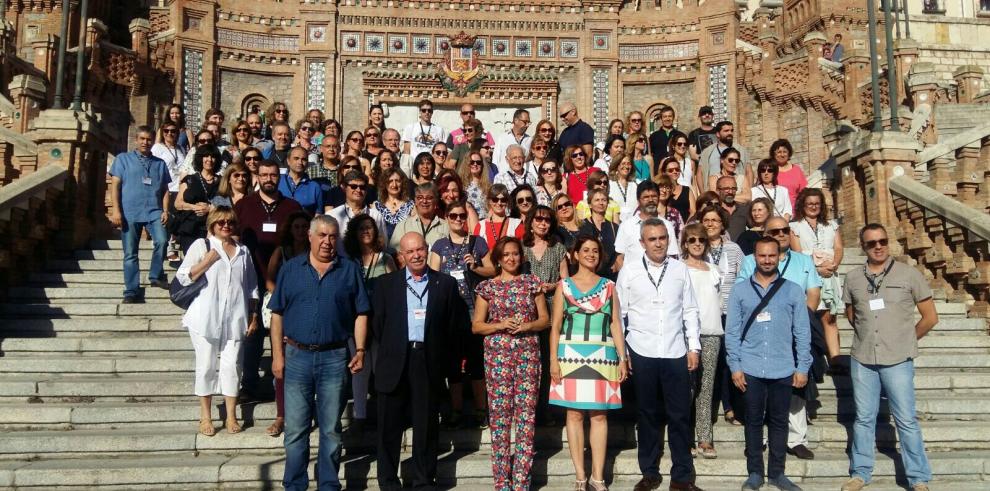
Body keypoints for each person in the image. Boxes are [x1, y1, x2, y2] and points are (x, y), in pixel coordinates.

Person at [268, 215, 370, 491]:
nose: (327, 242)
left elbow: (361, 312)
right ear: (310, 237)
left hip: (334, 358)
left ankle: (328, 484)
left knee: (330, 429)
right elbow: (276, 315)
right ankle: (295, 484)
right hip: (297, 357)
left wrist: (359, 349)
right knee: (296, 429)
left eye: (332, 236)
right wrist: (277, 356)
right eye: (322, 235)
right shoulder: (290, 270)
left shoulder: (349, 270)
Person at [840, 224, 936, 491]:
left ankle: (918, 477)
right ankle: (860, 473)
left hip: (898, 359)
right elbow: (852, 315)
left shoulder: (909, 274)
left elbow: (930, 318)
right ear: (863, 247)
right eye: (871, 243)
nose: (878, 246)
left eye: (882, 241)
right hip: (863, 358)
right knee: (863, 418)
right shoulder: (853, 278)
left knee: (905, 419)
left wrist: (906, 340)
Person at [372, 232, 466, 490]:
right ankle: (389, 482)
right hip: (395, 361)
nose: (416, 255)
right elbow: (378, 326)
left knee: (426, 426)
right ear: (401, 256)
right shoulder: (385, 284)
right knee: (389, 428)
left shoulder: (444, 284)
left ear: (426, 250)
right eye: (409, 251)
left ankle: (424, 481)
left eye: (420, 250)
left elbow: (453, 325)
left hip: (428, 361)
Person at [617, 218, 703, 491]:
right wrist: (623, 354)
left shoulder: (679, 269)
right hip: (641, 350)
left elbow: (690, 309)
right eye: (652, 239)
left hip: (675, 350)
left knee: (679, 415)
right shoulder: (629, 271)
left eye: (662, 238)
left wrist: (694, 346)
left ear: (669, 239)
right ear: (642, 243)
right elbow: (619, 315)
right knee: (647, 414)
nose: (658, 243)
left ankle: (681, 476)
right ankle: (650, 472)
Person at [726, 237, 811, 491]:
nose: (767, 260)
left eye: (771, 256)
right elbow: (731, 332)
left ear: (778, 256)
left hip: (783, 367)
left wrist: (802, 367)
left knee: (778, 421)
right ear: (755, 256)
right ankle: (755, 472)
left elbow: (802, 332)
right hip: (750, 367)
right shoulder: (740, 290)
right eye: (762, 256)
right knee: (752, 421)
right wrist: (735, 366)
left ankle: (777, 473)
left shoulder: (793, 290)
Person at [736, 216, 823, 462]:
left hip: (793, 330)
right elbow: (744, 293)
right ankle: (760, 439)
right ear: (765, 234)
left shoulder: (804, 261)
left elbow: (813, 293)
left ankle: (796, 439)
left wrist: (799, 323)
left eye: (785, 230)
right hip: (760, 334)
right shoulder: (750, 261)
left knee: (797, 387)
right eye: (775, 231)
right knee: (760, 389)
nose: (781, 234)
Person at [548, 235, 628, 491]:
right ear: (575, 255)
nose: (591, 254)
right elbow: (556, 325)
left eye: (595, 250)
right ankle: (580, 476)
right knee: (573, 414)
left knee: (599, 415)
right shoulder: (564, 286)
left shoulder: (609, 286)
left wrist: (623, 357)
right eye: (586, 250)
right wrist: (553, 360)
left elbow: (615, 323)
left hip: (604, 357)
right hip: (568, 355)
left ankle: (598, 477)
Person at [472, 236, 550, 491]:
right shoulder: (488, 287)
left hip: (528, 357)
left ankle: (521, 481)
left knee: (526, 419)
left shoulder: (532, 283)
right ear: (498, 258)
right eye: (506, 254)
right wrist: (500, 325)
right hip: (497, 360)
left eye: (515, 253)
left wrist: (527, 326)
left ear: (521, 256)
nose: (511, 258)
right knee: (500, 420)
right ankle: (502, 481)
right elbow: (477, 326)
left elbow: (545, 320)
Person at [176, 207, 259, 436]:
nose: (225, 225)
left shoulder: (243, 251)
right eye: (220, 222)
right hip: (205, 317)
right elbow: (183, 277)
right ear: (212, 224)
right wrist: (206, 262)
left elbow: (251, 286)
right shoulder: (202, 246)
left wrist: (254, 315)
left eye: (230, 222)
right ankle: (206, 416)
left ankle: (231, 416)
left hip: (236, 317)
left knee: (232, 366)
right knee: (206, 366)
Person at [233, 160, 304, 399]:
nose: (268, 179)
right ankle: (249, 384)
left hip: (285, 281)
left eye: (273, 175)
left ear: (279, 177)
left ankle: (282, 386)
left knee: (284, 333)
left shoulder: (292, 206)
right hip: (251, 279)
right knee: (253, 333)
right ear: (258, 177)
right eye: (264, 175)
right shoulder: (244, 205)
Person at [428, 200, 495, 429]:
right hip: (450, 310)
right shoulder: (438, 245)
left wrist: (475, 266)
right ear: (447, 217)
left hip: (474, 308)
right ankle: (456, 410)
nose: (458, 219)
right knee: (453, 363)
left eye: (462, 216)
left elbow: (493, 271)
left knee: (476, 361)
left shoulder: (478, 242)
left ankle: (481, 409)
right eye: (454, 215)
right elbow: (433, 277)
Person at [343, 213, 397, 434]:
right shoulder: (348, 261)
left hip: (380, 323)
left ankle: (386, 415)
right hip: (356, 322)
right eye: (361, 228)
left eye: (370, 227)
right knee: (359, 371)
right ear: (354, 234)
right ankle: (360, 416)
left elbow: (395, 290)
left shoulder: (385, 259)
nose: (366, 231)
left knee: (380, 369)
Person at [262, 211, 312, 437]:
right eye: (297, 227)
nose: (301, 231)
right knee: (282, 368)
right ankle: (281, 415)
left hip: (309, 313)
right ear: (290, 229)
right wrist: (283, 296)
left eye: (305, 227)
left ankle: (307, 413)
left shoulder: (315, 253)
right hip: (285, 313)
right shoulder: (281, 252)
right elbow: (270, 279)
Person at [109, 126, 172, 303]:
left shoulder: (160, 163)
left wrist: (166, 210)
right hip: (130, 211)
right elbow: (115, 185)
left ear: (153, 141)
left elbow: (165, 189)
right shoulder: (123, 159)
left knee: (161, 240)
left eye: (149, 139)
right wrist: (116, 210)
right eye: (142, 139)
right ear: (136, 140)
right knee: (130, 253)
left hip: (154, 210)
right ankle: (131, 290)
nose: (145, 142)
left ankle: (155, 275)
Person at [698, 206, 746, 426]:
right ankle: (706, 409)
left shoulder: (734, 249)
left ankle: (729, 407)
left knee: (728, 361)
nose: (710, 224)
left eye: (714, 220)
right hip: (705, 314)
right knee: (707, 365)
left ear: (723, 223)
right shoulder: (696, 247)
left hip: (729, 312)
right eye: (706, 220)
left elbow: (743, 277)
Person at [680, 223, 723, 459]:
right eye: (692, 240)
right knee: (687, 388)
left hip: (712, 332)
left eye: (701, 240)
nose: (697, 244)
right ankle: (685, 438)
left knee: (706, 389)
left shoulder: (714, 269)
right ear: (685, 243)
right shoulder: (678, 268)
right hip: (687, 335)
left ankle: (705, 438)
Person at [790, 188, 844, 366]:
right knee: (809, 316)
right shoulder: (795, 227)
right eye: (809, 203)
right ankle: (813, 360)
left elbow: (838, 248)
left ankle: (835, 359)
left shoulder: (831, 225)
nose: (813, 207)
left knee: (829, 317)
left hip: (830, 275)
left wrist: (834, 264)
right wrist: (817, 269)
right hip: (808, 276)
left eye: (817, 203)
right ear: (802, 205)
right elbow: (797, 253)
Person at [613, 181, 679, 271]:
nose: (651, 200)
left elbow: (672, 257)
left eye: (654, 196)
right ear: (638, 200)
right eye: (646, 197)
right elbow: (619, 258)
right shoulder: (626, 225)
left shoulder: (667, 226)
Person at [173, 144, 221, 254]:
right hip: (190, 229)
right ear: (200, 158)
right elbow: (178, 203)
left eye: (213, 156)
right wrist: (195, 207)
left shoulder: (222, 181)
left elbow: (226, 203)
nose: (209, 159)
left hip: (213, 228)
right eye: (206, 156)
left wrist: (209, 208)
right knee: (191, 265)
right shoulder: (189, 179)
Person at [390, 182, 450, 255]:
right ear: (415, 201)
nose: (424, 201)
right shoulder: (403, 226)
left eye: (429, 198)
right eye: (420, 198)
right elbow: (394, 252)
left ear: (436, 201)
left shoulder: (446, 226)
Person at [329, 170, 386, 237]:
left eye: (362, 187)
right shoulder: (333, 216)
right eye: (353, 186)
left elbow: (382, 244)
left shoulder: (376, 216)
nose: (358, 190)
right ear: (344, 187)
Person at [580, 188, 620, 280]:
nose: (601, 203)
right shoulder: (583, 226)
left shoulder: (614, 227)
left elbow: (620, 251)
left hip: (611, 276)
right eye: (597, 200)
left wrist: (617, 263)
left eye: (604, 200)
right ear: (590, 204)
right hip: (590, 275)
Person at [698, 121, 751, 187]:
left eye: (731, 130)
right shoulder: (707, 152)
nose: (730, 133)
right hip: (714, 192)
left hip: (737, 192)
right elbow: (700, 173)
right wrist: (703, 193)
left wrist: (749, 190)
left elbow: (749, 172)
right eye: (726, 131)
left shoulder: (741, 150)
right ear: (718, 134)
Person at [402, 99, 447, 175]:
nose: (427, 112)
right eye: (424, 110)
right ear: (420, 112)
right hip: (415, 167)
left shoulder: (439, 130)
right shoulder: (410, 127)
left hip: (431, 168)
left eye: (429, 110)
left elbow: (442, 150)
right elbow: (406, 152)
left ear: (432, 112)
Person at [473, 184, 524, 250]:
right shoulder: (480, 226)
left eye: (503, 200)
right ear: (489, 201)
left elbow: (522, 251)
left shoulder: (517, 225)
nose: (499, 203)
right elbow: (476, 251)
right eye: (495, 199)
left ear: (507, 201)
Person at [278, 146, 324, 216]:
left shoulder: (315, 187)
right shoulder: (278, 181)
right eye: (296, 158)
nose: (300, 162)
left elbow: (318, 215)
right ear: (288, 161)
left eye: (304, 159)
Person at [373, 167, 414, 241]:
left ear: (402, 183)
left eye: (397, 181)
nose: (394, 184)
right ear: (384, 184)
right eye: (390, 181)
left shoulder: (411, 205)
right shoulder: (376, 206)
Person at [152, 120, 187, 197]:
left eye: (173, 131)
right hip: (166, 190)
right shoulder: (157, 147)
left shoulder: (181, 148)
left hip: (179, 190)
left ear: (177, 133)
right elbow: (153, 169)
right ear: (162, 132)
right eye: (166, 131)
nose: (169, 133)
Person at [770, 139, 807, 210]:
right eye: (779, 152)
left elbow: (804, 192)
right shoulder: (769, 170)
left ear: (789, 153)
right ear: (774, 154)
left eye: (785, 152)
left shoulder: (797, 170)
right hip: (774, 212)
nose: (782, 155)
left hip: (795, 212)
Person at [492, 108, 533, 173]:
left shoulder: (530, 140)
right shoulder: (502, 138)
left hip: (523, 180)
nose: (527, 125)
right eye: (525, 122)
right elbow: (495, 161)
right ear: (516, 120)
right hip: (504, 179)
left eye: (529, 122)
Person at [714, 175, 752, 240]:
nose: (730, 192)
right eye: (726, 189)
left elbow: (756, 226)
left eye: (733, 189)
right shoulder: (713, 210)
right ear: (718, 190)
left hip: (740, 249)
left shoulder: (744, 209)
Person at [659, 157, 696, 222]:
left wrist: (685, 227)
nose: (674, 172)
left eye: (677, 169)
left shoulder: (687, 189)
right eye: (670, 170)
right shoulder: (661, 190)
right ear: (664, 172)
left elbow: (693, 211)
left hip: (686, 226)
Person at [608, 154, 639, 221]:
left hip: (633, 224)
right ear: (617, 165)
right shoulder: (610, 184)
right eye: (623, 163)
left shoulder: (635, 185)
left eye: (629, 164)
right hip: (615, 223)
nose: (626, 166)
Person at [655, 175, 684, 239]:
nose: (664, 190)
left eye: (667, 188)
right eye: (661, 187)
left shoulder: (675, 213)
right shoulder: (647, 211)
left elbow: (681, 236)